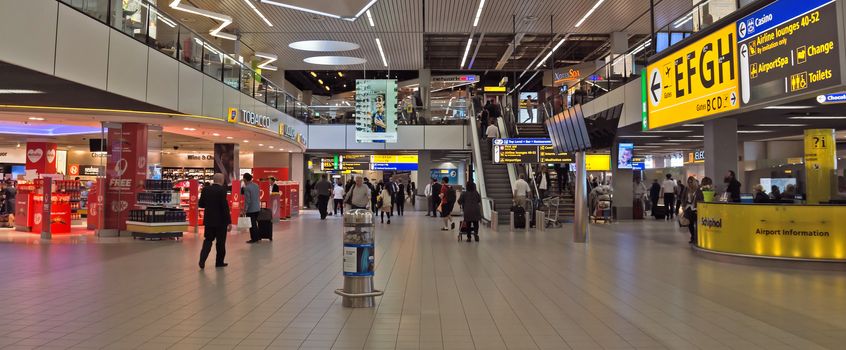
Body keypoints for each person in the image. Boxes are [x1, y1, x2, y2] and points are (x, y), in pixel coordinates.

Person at [198, 173, 231, 269]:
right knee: (220, 243)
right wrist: (229, 221)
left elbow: (201, 204)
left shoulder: (206, 189)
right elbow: (224, 207)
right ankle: (219, 262)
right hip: (221, 221)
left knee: (208, 240)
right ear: (221, 180)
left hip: (209, 220)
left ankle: (202, 260)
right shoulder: (222, 190)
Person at [680, 176, 704, 244]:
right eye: (688, 182)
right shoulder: (686, 189)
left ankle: (697, 237)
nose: (690, 183)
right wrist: (683, 205)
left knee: (696, 223)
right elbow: (683, 197)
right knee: (690, 223)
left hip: (695, 208)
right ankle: (693, 237)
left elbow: (701, 198)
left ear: (694, 182)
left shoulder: (698, 190)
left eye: (691, 182)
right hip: (688, 208)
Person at [242, 173, 262, 244]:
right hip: (257, 207)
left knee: (252, 225)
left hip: (251, 209)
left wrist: (244, 210)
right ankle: (258, 237)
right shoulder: (256, 185)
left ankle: (254, 238)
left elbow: (247, 200)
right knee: (255, 224)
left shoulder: (247, 188)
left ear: (245, 179)